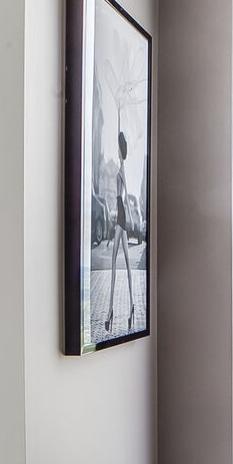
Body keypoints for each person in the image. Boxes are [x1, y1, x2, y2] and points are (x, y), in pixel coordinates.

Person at [106, 111, 137, 331]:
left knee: (117, 263)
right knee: (122, 264)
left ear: (120, 150)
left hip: (121, 221)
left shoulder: (122, 169)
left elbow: (124, 196)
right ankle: (129, 308)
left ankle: (111, 311)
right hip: (120, 219)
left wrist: (127, 219)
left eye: (118, 146)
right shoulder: (119, 168)